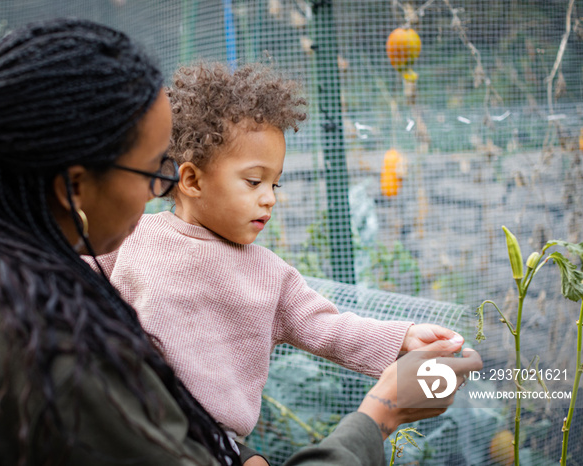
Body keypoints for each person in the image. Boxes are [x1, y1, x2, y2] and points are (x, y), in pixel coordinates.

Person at [0, 18, 481, 466]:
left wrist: (401, 338)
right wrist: (381, 415)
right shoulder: (70, 341)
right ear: (73, 185)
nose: (161, 186)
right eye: (154, 170)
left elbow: (328, 326)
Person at [89, 62, 467, 463]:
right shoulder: (132, 236)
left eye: (275, 183)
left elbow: (329, 327)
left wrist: (402, 338)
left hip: (214, 445)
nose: (270, 197)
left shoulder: (270, 275)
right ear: (192, 180)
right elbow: (66, 274)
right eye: (254, 181)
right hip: (124, 426)